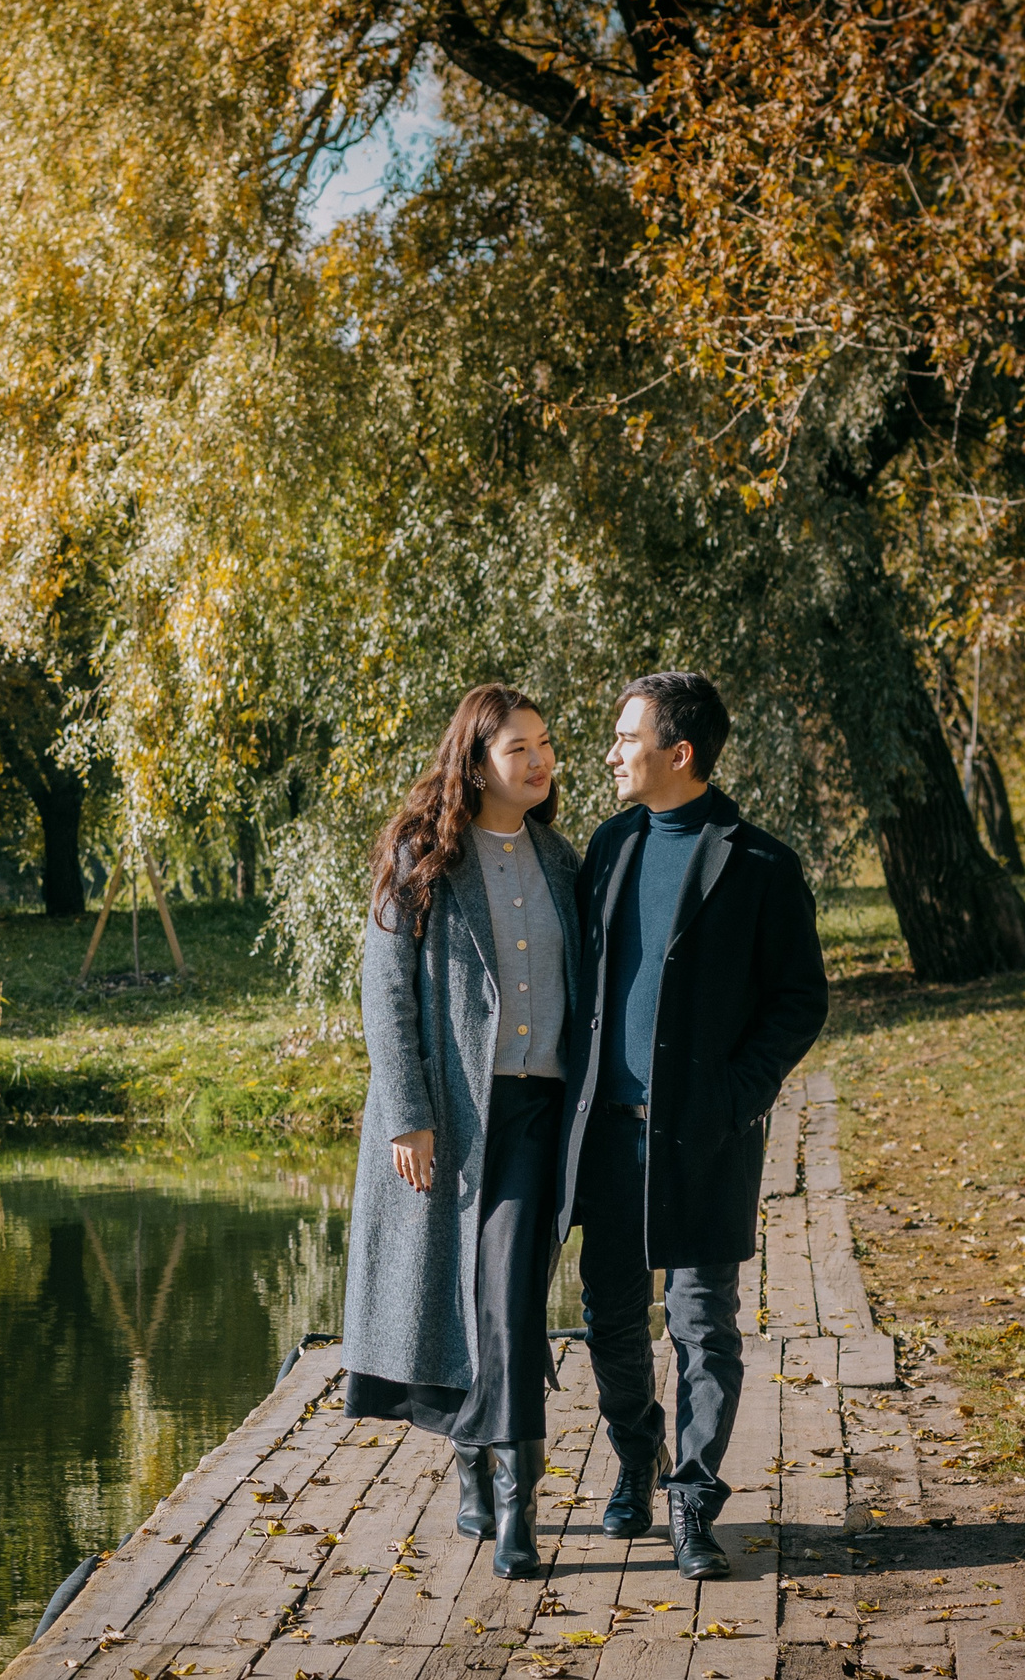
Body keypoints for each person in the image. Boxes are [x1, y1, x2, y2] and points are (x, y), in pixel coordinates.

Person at [555, 671, 828, 1580]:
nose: (610, 754)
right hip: (609, 1139)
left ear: (679, 752)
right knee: (611, 1320)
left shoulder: (759, 864)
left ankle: (693, 1500)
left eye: (625, 737)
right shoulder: (608, 845)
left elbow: (799, 1001)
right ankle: (638, 1456)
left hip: (706, 1139)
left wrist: (736, 1094)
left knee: (704, 1325)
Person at [342, 683, 582, 1581]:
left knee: (513, 1299)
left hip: (539, 1114)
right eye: (521, 747)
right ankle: (470, 1461)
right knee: (459, 1297)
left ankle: (518, 1508)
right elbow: (386, 991)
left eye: (547, 744)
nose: (542, 760)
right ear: (476, 760)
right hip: (451, 1111)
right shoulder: (422, 856)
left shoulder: (564, 860)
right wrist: (407, 1113)